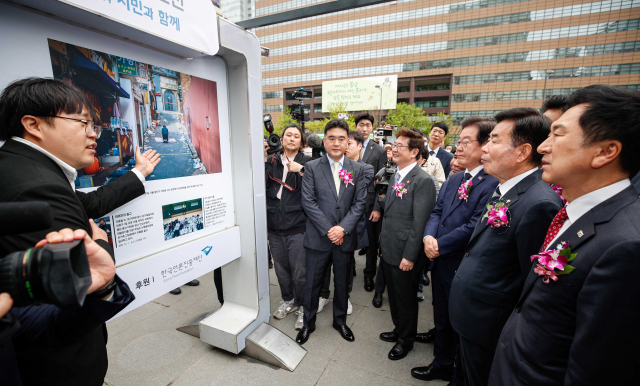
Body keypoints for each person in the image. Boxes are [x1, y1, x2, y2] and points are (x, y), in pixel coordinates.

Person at [0, 77, 158, 386]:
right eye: (83, 122)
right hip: (56, 368)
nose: (93, 134)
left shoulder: (18, 166)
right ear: (34, 124)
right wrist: (102, 244)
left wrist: (139, 173)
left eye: (93, 126)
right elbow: (70, 281)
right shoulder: (38, 185)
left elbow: (86, 203)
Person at [490, 85, 640, 386]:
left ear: (606, 151)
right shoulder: (574, 213)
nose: (543, 147)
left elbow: (596, 370)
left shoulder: (626, 246)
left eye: (557, 135)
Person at [448, 108, 563, 386]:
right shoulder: (505, 189)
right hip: (472, 319)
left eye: (495, 140)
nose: (485, 148)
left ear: (523, 151)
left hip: (490, 326)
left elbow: (529, 281)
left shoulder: (539, 203)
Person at [411, 117, 499, 384]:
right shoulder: (456, 177)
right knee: (441, 318)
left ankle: (457, 372)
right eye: (458, 142)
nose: (458, 148)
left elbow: (475, 225)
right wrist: (428, 236)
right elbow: (438, 211)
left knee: (459, 323)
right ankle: (442, 362)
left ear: (485, 145)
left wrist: (440, 244)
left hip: (461, 264)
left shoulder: (493, 183)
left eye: (465, 142)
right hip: (439, 260)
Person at [296, 119, 367, 345]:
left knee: (343, 282)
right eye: (332, 138)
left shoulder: (358, 169)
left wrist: (343, 229)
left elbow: (359, 203)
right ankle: (308, 323)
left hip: (345, 238)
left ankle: (340, 321)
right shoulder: (312, 167)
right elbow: (308, 202)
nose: (336, 143)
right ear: (325, 141)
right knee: (312, 284)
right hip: (318, 237)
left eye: (341, 139)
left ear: (348, 142)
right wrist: (329, 230)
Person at [378, 129, 437, 361]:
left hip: (406, 252)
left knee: (406, 298)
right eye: (394, 144)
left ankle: (406, 340)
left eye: (400, 145)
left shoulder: (423, 181)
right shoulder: (396, 176)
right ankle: (398, 328)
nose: (394, 148)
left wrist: (410, 256)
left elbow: (420, 223)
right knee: (393, 295)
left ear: (414, 152)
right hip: (390, 248)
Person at [318, 131, 373, 316]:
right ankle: (323, 295)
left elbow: (358, 200)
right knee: (324, 266)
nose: (344, 146)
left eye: (347, 142)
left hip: (349, 226)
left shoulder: (363, 169)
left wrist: (343, 228)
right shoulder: (328, 166)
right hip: (327, 226)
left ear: (358, 146)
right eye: (339, 141)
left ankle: (344, 297)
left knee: (346, 267)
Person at [264, 123, 311, 330]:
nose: (292, 139)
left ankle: (302, 305)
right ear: (281, 139)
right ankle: (288, 300)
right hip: (274, 225)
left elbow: (317, 188)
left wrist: (302, 171)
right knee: (281, 270)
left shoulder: (308, 163)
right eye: (288, 135)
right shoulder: (272, 160)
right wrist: (263, 159)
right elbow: (260, 186)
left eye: (296, 136)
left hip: (298, 226)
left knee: (300, 271)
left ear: (301, 142)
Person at [354, 113, 387, 294]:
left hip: (369, 204)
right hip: (348, 204)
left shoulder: (379, 151)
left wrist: (376, 207)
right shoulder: (347, 145)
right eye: (361, 125)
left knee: (372, 242)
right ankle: (349, 267)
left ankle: (369, 274)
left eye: (367, 125)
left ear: (372, 128)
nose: (364, 128)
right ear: (356, 126)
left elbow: (381, 182)